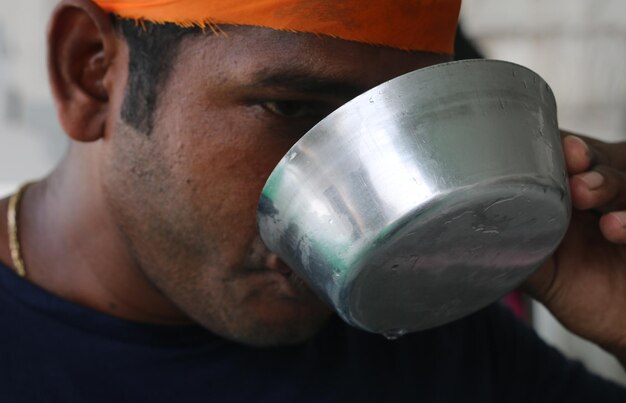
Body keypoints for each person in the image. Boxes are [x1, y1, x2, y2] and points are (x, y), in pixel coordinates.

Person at [1, 0, 626, 401]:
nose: (366, 202)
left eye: (406, 127)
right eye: (293, 109)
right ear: (90, 72)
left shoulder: (425, 336)